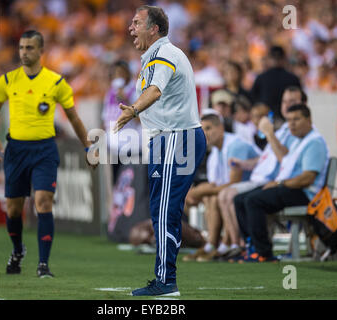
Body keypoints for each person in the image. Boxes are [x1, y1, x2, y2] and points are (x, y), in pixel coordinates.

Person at [0, 30, 96, 278]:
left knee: (43, 202)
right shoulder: (7, 81)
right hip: (15, 151)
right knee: (14, 210)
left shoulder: (56, 83)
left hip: (45, 150)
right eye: (21, 48)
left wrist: (89, 147)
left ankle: (43, 264)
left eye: (29, 48)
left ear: (40, 51)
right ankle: (17, 251)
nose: (24, 52)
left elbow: (74, 118)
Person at [115, 5, 206, 296]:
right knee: (160, 210)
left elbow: (154, 93)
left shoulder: (164, 54)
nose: (131, 28)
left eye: (137, 22)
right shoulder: (152, 58)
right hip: (164, 140)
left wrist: (132, 111)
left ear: (154, 29)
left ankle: (167, 282)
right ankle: (164, 278)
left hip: (177, 139)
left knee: (165, 210)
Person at [216, 86, 307, 259]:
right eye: (285, 102)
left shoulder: (297, 131)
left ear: (303, 104)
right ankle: (248, 244)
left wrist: (269, 134)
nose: (287, 106)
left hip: (285, 183)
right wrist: (243, 164)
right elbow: (265, 159)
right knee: (236, 198)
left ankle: (254, 248)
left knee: (242, 198)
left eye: (293, 102)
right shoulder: (284, 130)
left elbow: (285, 162)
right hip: (274, 181)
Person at [234, 104, 329, 262]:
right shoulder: (299, 141)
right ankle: (250, 246)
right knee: (239, 199)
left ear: (309, 120)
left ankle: (263, 252)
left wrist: (279, 183)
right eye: (289, 120)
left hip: (306, 193)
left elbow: (307, 178)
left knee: (253, 201)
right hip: (291, 187)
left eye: (296, 119)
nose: (292, 123)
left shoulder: (314, 142)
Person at [182, 112, 259, 262]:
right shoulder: (215, 153)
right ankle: (212, 245)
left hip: (255, 186)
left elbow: (233, 183)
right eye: (202, 130)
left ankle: (229, 244)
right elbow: (215, 185)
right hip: (239, 190)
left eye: (209, 128)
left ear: (221, 128)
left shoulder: (235, 145)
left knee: (218, 195)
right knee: (210, 197)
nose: (205, 134)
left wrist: (198, 191)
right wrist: (200, 191)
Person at [250, 45, 301, 125]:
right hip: (288, 120)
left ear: (269, 59)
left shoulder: (262, 77)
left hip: (266, 120)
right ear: (284, 59)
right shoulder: (292, 78)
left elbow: (253, 99)